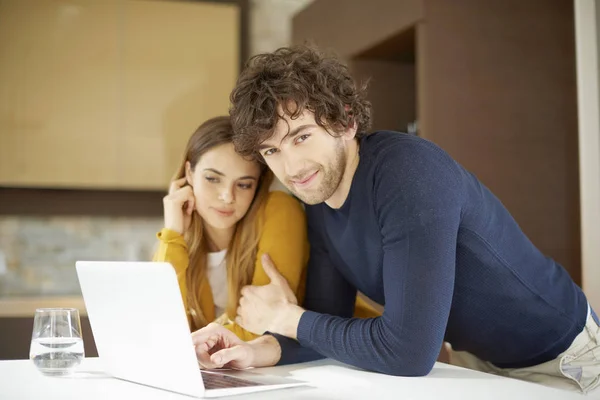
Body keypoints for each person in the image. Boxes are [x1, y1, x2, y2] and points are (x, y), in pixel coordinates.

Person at [190, 47, 600, 394]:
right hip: (478, 364)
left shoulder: (408, 175)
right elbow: (328, 324)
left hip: (564, 357)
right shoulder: (317, 200)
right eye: (271, 151)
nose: (291, 167)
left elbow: (408, 352)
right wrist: (255, 350)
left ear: (345, 121)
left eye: (301, 136)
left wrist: (287, 318)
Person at [153, 116, 379, 341]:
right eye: (213, 178)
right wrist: (173, 235)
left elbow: (264, 327)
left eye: (243, 184)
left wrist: (190, 343)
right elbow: (156, 324)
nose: (227, 196)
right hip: (256, 369)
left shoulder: (279, 210)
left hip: (347, 352)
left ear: (258, 185)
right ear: (189, 173)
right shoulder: (181, 241)